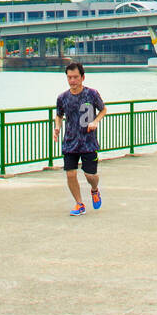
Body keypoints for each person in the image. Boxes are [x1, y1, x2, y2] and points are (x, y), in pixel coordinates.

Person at [54, 61, 107, 216]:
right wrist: (57, 127)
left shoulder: (91, 94)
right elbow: (59, 115)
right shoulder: (62, 97)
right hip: (70, 142)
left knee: (90, 175)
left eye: (75, 77)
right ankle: (79, 204)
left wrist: (95, 121)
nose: (72, 81)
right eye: (69, 77)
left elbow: (103, 109)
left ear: (82, 77)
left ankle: (95, 190)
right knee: (70, 173)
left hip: (88, 142)